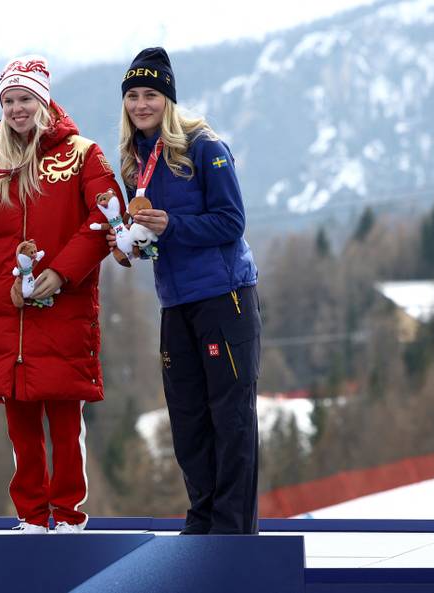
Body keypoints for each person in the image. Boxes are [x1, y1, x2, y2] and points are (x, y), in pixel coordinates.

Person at [0, 56, 122, 534]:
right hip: (7, 312)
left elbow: (105, 219)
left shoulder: (83, 155)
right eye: (8, 100)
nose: (16, 108)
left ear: (44, 101)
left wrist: (61, 273)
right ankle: (31, 516)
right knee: (21, 430)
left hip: (63, 310)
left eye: (25, 98)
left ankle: (69, 515)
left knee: (65, 424)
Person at [118, 48, 262, 534]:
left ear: (169, 99)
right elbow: (156, 234)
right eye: (133, 95)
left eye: (151, 95)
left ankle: (233, 530)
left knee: (231, 417)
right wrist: (134, 244)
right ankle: (201, 521)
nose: (141, 104)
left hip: (226, 296)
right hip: (174, 301)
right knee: (187, 419)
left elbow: (231, 221)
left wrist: (170, 225)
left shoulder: (204, 145)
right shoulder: (134, 157)